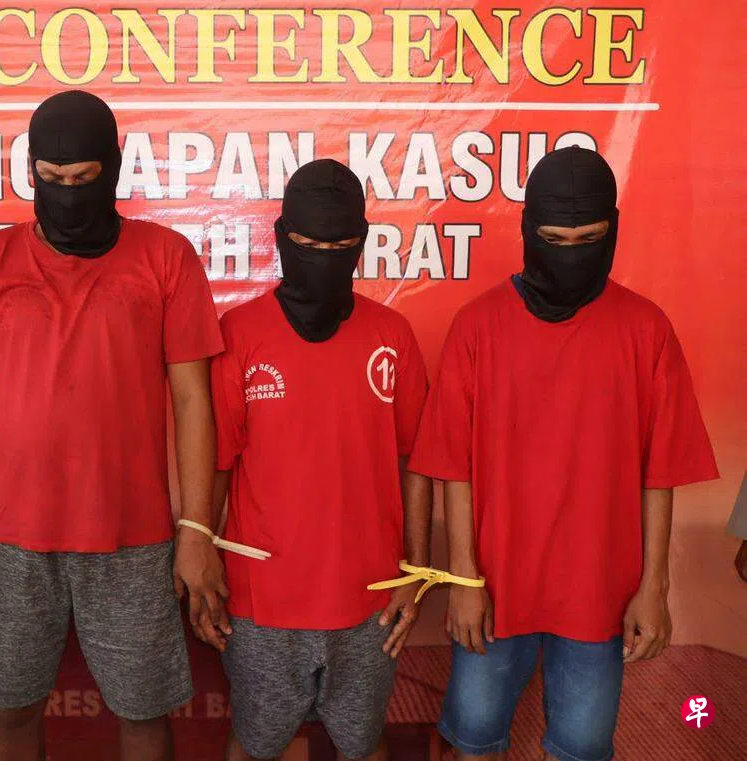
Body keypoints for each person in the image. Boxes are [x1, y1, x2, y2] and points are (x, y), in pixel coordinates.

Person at [0, 90, 224, 761]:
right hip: (9, 536)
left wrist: (196, 529)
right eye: (51, 178)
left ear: (112, 170)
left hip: (132, 533)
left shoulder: (166, 256)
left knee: (144, 711)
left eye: (84, 178)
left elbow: (192, 400)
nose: (66, 194)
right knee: (11, 710)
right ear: (31, 170)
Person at [409, 146, 720, 761]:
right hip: (494, 585)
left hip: (599, 591)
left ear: (613, 232)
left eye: (589, 239)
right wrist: (463, 579)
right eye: (554, 239)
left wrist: (653, 587)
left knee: (581, 749)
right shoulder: (478, 325)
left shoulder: (646, 329)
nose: (570, 253)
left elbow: (659, 475)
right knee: (475, 740)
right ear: (529, 231)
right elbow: (453, 468)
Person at [209, 159, 432, 761]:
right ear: (282, 237)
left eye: (339, 248)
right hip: (262, 594)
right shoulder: (238, 333)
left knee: (363, 742)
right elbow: (217, 465)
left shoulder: (393, 335)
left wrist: (416, 572)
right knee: (257, 742)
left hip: (371, 594)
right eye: (308, 247)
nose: (322, 260)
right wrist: (201, 557)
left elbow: (416, 462)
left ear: (361, 242)